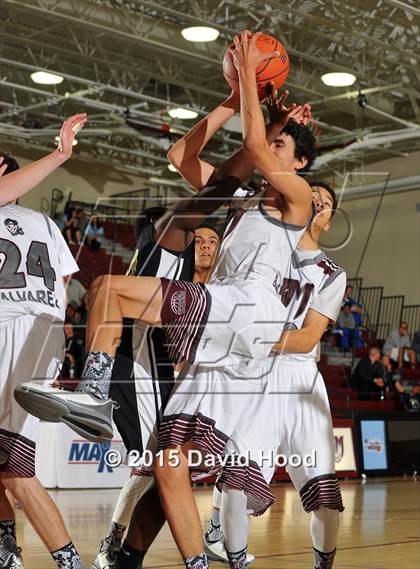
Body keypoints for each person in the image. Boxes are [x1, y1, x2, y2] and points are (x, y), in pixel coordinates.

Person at [17, 30, 316, 569]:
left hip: (248, 313)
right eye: (272, 141)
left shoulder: (293, 200)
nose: (271, 148)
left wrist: (251, 81)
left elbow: (253, 149)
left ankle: (93, 393)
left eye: (282, 148)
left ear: (297, 166)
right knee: (167, 462)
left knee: (109, 289)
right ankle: (167, 559)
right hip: (224, 327)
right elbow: (183, 153)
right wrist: (237, 102)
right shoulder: (245, 201)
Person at [204, 180, 346, 569]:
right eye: (312, 194)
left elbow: (306, 339)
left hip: (300, 381)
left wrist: (252, 333)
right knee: (237, 484)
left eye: (327, 202)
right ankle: (233, 559)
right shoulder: (266, 248)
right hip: (256, 375)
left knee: (325, 498)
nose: (318, 201)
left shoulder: (332, 274)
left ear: (330, 220)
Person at [94, 216, 223, 569]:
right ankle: (113, 544)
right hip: (159, 382)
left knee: (170, 474)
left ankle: (210, 535)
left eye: (213, 241)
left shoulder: (222, 293)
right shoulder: (173, 286)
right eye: (200, 240)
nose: (206, 246)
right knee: (150, 470)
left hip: (198, 392)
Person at [0, 145, 86, 568]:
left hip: (9, 328)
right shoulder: (46, 223)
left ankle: (69, 561)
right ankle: (4, 548)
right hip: (44, 333)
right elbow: (66, 279)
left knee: (14, 465)